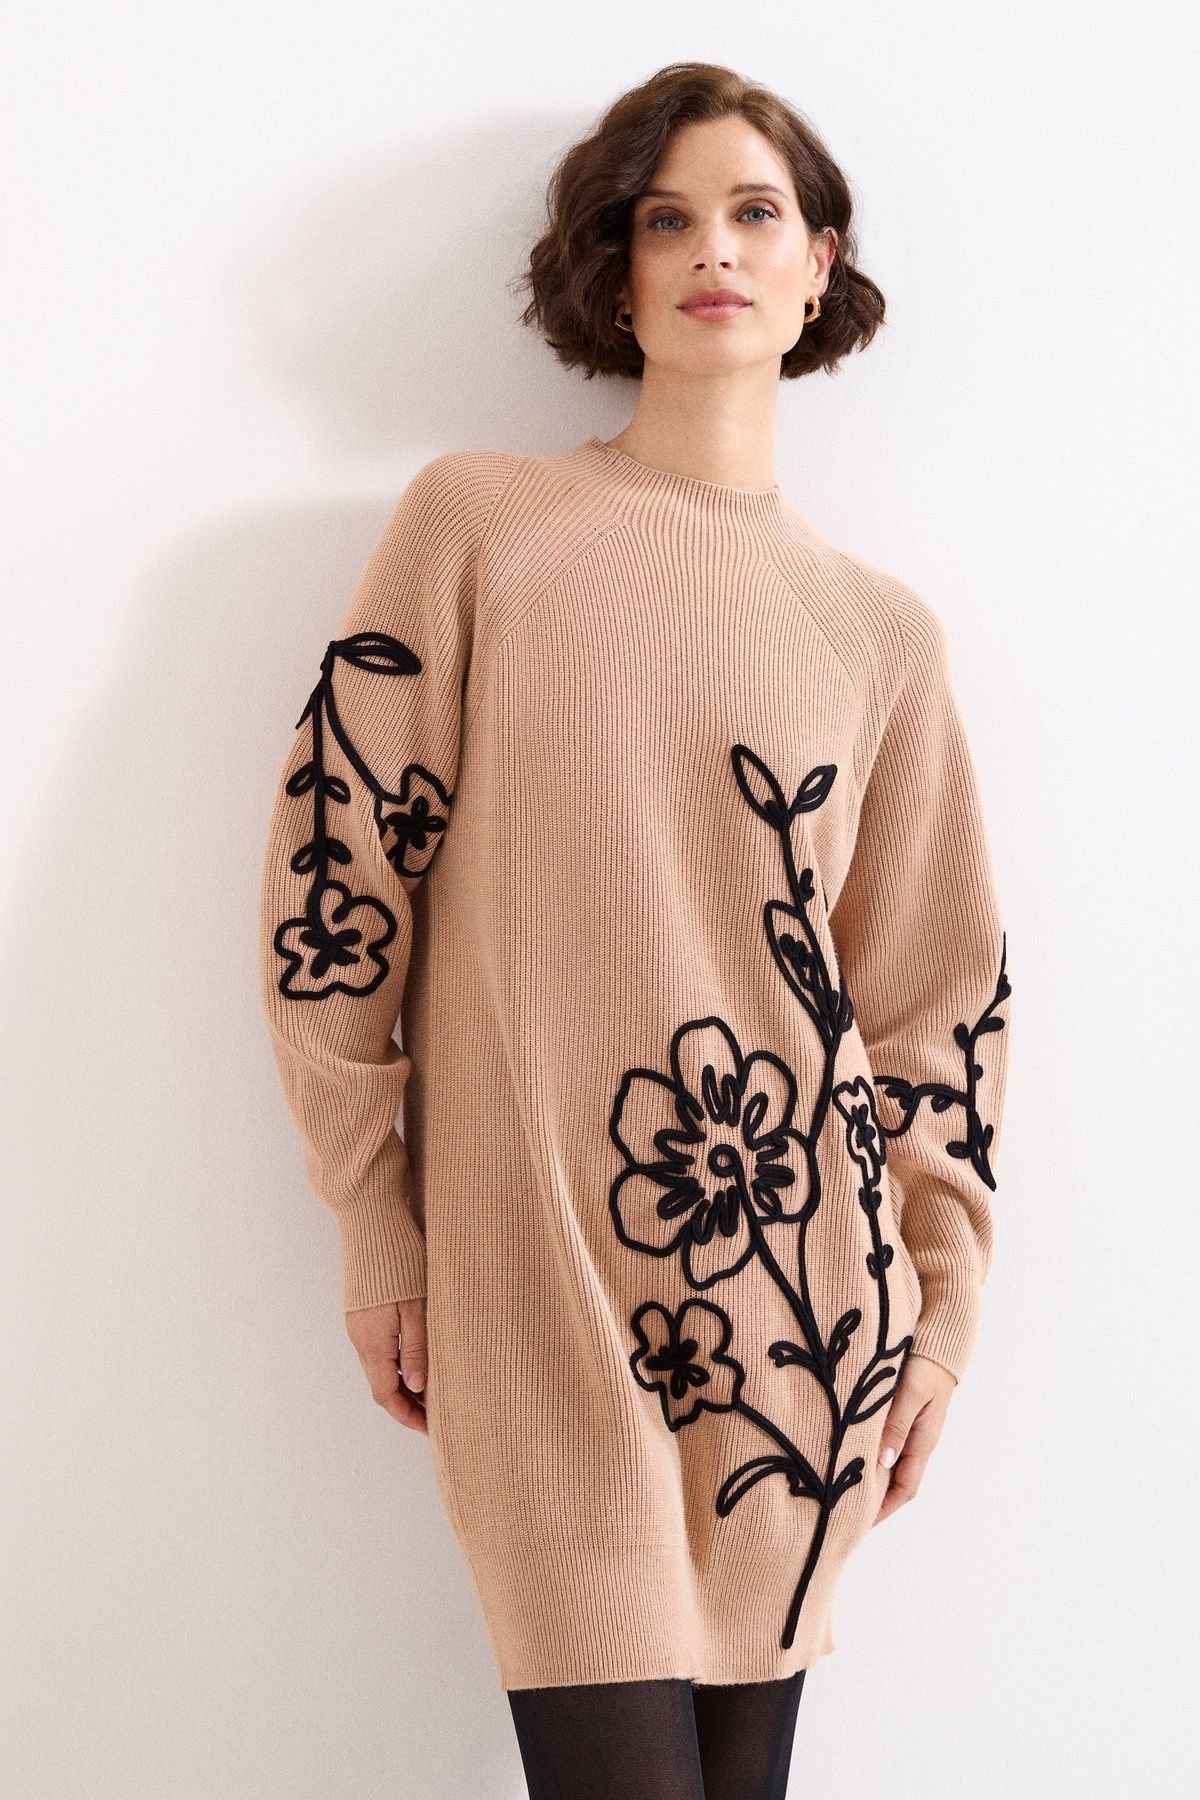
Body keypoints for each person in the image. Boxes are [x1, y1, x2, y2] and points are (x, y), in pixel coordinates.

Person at [256, 60, 1012, 1800]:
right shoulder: (478, 527)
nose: (713, 252)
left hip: (806, 1302)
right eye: (667, 219)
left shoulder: (878, 634)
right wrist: (377, 1225)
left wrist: (942, 1314)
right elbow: (332, 889)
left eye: (755, 214)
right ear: (616, 268)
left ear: (818, 266)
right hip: (535, 1281)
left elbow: (935, 1002)